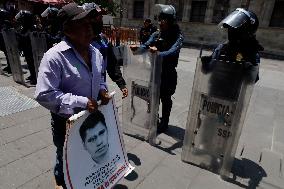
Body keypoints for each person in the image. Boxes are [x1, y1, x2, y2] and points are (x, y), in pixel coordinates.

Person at [34, 3, 111, 189]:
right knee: (64, 158)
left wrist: (102, 89)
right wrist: (82, 102)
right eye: (81, 24)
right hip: (65, 123)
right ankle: (60, 182)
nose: (89, 28)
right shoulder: (54, 57)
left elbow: (100, 76)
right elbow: (44, 94)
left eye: (89, 23)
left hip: (91, 121)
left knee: (84, 159)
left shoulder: (96, 53)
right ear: (67, 30)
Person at [130, 4, 184, 133]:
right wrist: (137, 48)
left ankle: (164, 122)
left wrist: (157, 53)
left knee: (166, 98)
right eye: (160, 19)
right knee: (153, 97)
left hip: (168, 73)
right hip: (155, 71)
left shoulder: (178, 36)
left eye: (164, 19)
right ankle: (153, 118)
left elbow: (172, 52)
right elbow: (147, 44)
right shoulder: (156, 34)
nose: (161, 22)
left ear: (171, 21)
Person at [202, 8, 263, 84]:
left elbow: (252, 80)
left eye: (235, 30)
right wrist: (205, 63)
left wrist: (247, 67)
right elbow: (208, 70)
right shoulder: (221, 48)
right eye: (230, 29)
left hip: (235, 93)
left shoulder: (252, 53)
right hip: (214, 91)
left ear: (246, 31)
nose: (231, 32)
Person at [83, 3, 128, 98]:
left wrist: (121, 84)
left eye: (100, 17)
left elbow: (112, 63)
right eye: (95, 17)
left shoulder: (103, 39)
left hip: (102, 92)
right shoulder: (79, 41)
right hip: (82, 96)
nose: (100, 20)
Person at [15, 10, 37, 84]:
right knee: (29, 63)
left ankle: (35, 77)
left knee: (32, 63)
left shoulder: (31, 27)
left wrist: (17, 34)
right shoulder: (24, 27)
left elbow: (27, 37)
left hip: (31, 49)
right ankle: (32, 75)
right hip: (26, 49)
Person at [0, 8, 13, 73]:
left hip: (6, 41)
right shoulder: (2, 22)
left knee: (8, 54)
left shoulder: (6, 23)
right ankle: (9, 66)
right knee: (6, 54)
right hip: (2, 40)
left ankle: (11, 67)